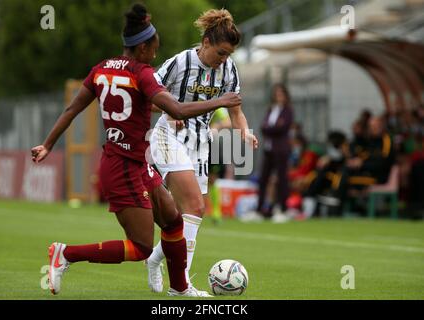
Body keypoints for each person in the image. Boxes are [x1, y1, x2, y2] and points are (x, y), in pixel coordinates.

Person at [31, 4, 241, 297]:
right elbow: (177, 109)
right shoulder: (142, 74)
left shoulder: (101, 69)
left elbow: (72, 109)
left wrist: (48, 144)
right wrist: (220, 101)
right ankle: (66, 254)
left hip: (137, 163)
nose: (156, 54)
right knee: (141, 247)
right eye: (154, 48)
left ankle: (179, 289)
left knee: (173, 220)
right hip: (123, 167)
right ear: (142, 47)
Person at [145, 8, 258, 293]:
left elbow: (235, 111)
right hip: (168, 136)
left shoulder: (229, 69)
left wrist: (244, 131)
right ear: (206, 42)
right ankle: (181, 287)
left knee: (191, 215)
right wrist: (172, 109)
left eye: (229, 54)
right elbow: (146, 98)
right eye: (221, 52)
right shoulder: (179, 63)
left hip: (199, 143)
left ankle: (155, 259)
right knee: (194, 206)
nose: (225, 59)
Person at [240, 84, 293, 223]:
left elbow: (282, 128)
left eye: (281, 94)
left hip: (281, 149)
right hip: (269, 149)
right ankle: (259, 210)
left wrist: (271, 128)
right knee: (263, 179)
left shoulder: (288, 111)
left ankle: (283, 209)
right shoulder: (271, 109)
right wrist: (272, 128)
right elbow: (264, 127)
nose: (278, 96)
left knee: (282, 179)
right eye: (276, 94)